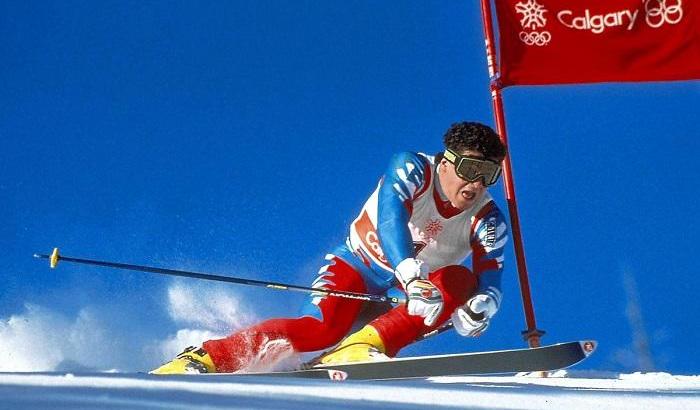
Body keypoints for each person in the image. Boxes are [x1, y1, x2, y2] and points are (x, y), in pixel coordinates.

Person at [152, 121, 509, 374]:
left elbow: (490, 273)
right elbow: (390, 217)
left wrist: (482, 305)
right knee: (319, 329)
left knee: (462, 282)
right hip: (357, 268)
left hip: (407, 297)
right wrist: (411, 275)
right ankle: (205, 358)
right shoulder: (414, 168)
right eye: (470, 168)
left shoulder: (487, 218)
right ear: (445, 161)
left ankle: (360, 348)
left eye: (489, 174)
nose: (477, 183)